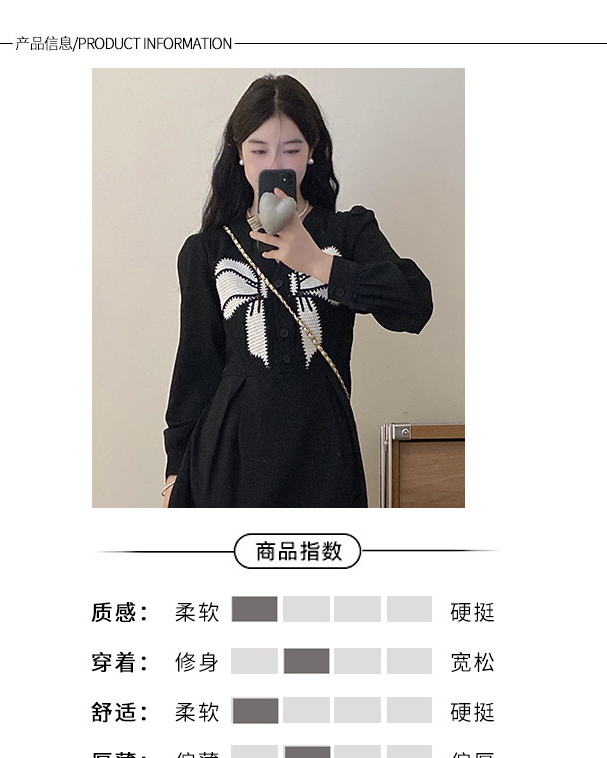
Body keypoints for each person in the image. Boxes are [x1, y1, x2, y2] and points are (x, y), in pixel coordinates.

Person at [163, 74, 433, 508]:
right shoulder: (207, 250)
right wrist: (174, 476)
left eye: (291, 149)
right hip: (228, 460)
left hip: (323, 453)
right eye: (259, 150)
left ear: (312, 151)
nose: (276, 163)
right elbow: (195, 370)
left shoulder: (348, 232)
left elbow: (415, 305)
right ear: (238, 153)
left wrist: (319, 263)